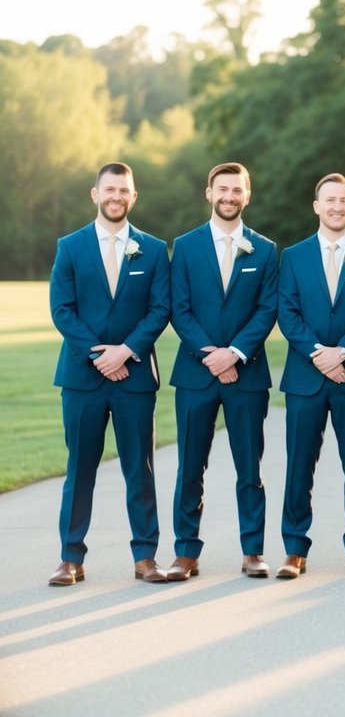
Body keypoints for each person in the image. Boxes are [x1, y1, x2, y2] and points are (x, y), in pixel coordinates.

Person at [48, 162, 171, 585]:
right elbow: (62, 309)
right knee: (80, 468)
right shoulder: (70, 246)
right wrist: (100, 355)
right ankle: (70, 558)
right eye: (110, 189)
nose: (116, 196)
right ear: (95, 194)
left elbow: (160, 310)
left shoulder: (153, 249)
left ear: (133, 197)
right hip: (83, 379)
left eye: (124, 191)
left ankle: (145, 558)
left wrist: (127, 352)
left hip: (135, 379)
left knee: (140, 469)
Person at [166, 162, 278, 581]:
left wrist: (234, 354)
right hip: (195, 375)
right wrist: (209, 355)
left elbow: (268, 309)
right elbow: (179, 307)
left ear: (247, 196)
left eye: (237, 190)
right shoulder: (186, 245)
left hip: (247, 376)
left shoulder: (265, 249)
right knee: (190, 466)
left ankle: (253, 551)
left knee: (250, 466)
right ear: (209, 193)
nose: (229, 196)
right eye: (223, 189)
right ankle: (186, 553)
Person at [275, 173, 345, 578]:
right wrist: (318, 354)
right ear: (316, 206)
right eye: (329, 200)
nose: (337, 206)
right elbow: (287, 312)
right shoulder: (294, 256)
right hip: (306, 377)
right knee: (299, 465)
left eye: (344, 200)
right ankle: (294, 549)